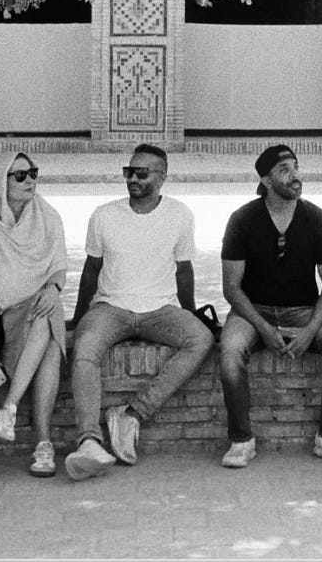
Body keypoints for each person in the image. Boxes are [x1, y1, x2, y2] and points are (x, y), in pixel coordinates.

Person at [64, 144, 214, 481]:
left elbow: (184, 270)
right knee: (85, 349)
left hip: (160, 308)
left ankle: (132, 414)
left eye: (142, 173)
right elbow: (91, 270)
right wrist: (77, 318)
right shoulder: (104, 215)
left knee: (201, 339)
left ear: (162, 177)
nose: (133, 178)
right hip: (110, 306)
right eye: (128, 172)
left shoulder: (180, 214)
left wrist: (189, 313)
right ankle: (88, 441)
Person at [217, 145, 322, 469]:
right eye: (284, 170)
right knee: (231, 347)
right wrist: (264, 328)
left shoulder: (318, 219)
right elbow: (231, 288)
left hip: (303, 311)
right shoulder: (242, 219)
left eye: (295, 167)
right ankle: (241, 440)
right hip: (251, 311)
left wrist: (310, 331)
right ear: (266, 180)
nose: (295, 176)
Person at [0, 152, 68, 478]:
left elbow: (59, 268)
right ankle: (43, 444)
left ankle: (10, 409)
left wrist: (53, 288)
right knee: (49, 335)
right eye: (19, 175)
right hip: (4, 315)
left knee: (48, 311)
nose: (30, 181)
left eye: (33, 173)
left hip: (41, 308)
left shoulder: (48, 216)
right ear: (0, 181)